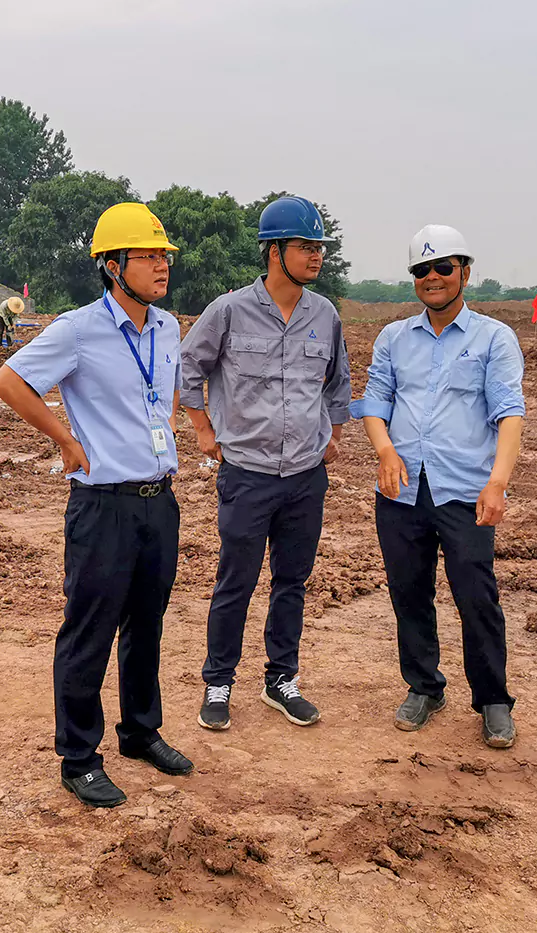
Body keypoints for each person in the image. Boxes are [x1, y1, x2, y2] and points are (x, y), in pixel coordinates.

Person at [0, 202, 193, 809]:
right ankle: (79, 757)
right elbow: (9, 381)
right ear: (112, 266)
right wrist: (64, 438)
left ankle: (140, 731)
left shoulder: (168, 328)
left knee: (147, 624)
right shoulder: (79, 329)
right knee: (90, 630)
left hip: (158, 501)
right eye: (146, 256)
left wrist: (162, 432)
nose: (161, 266)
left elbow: (165, 395)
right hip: (103, 507)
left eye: (163, 255)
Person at [179, 196, 351, 734]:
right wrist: (203, 429)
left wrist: (333, 435)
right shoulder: (229, 310)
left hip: (304, 477)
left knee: (292, 582)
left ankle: (281, 679)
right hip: (247, 474)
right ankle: (218, 682)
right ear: (274, 251)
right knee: (235, 582)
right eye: (305, 246)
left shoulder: (324, 315)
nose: (316, 255)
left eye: (319, 246)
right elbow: (188, 366)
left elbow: (338, 382)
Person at [352, 224, 526, 749]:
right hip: (401, 491)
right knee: (409, 592)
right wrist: (385, 450)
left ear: (464, 273)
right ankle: (424, 687)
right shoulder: (393, 339)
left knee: (475, 595)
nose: (433, 277)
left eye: (443, 267)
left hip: (465, 491)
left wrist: (497, 483)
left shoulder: (493, 338)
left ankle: (493, 699)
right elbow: (376, 402)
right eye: (422, 270)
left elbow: (509, 414)